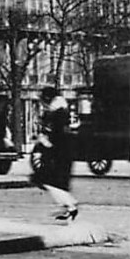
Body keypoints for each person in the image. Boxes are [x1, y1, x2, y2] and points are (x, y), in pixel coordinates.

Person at [32, 86, 78, 221]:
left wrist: (44, 140)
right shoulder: (62, 109)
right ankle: (68, 207)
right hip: (63, 152)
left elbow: (56, 135)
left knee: (48, 181)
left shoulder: (56, 113)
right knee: (55, 182)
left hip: (58, 153)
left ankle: (70, 206)